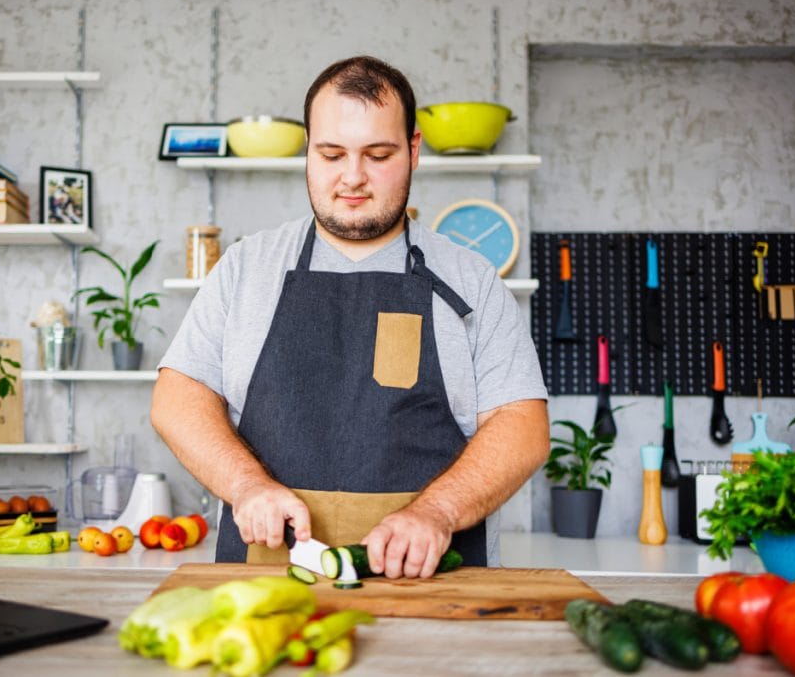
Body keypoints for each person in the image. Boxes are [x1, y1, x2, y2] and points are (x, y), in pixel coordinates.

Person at [151, 56, 548, 578]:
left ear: (413, 150)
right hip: (266, 582)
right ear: (309, 153)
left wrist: (437, 511)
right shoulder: (246, 268)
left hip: (433, 585)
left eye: (378, 154)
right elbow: (178, 398)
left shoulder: (472, 279)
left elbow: (522, 426)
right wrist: (246, 485)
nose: (353, 178)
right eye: (332, 154)